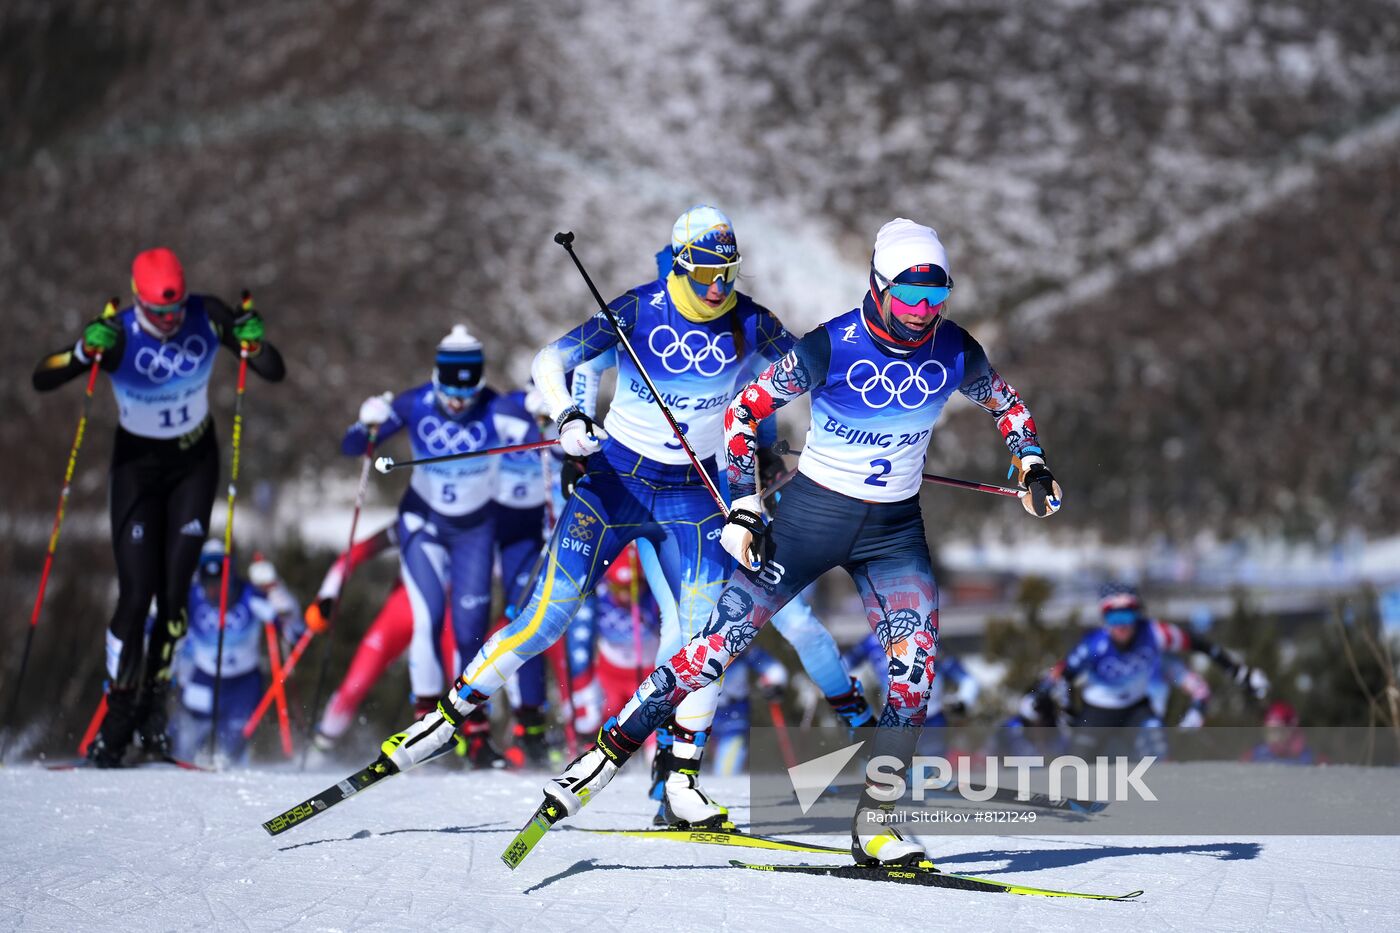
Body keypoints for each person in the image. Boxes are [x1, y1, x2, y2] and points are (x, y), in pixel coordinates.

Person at [541, 217, 1063, 867]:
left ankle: (876, 822)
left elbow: (1006, 404)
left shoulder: (955, 348)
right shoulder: (829, 345)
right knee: (714, 647)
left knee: (915, 670)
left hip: (893, 532)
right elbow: (744, 410)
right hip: (808, 521)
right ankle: (605, 755)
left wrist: (1031, 463)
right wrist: (743, 504)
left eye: (936, 297)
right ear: (878, 287)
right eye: (909, 296)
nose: (923, 313)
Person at [379, 206, 800, 830]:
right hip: (615, 484)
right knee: (547, 617)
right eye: (707, 272)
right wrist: (568, 417)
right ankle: (446, 718)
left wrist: (796, 449)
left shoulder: (753, 323)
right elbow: (549, 361)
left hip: (694, 492)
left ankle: (680, 782)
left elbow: (817, 376)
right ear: (680, 264)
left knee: (703, 639)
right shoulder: (638, 310)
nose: (719, 287)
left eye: (728, 273)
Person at [32, 247, 284, 767]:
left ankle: (152, 713)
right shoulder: (119, 333)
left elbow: (271, 369)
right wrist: (82, 351)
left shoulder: (207, 314)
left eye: (175, 311)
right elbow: (44, 375)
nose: (169, 321)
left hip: (194, 463)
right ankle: (117, 715)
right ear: (139, 301)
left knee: (173, 601)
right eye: (158, 313)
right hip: (138, 469)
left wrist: (253, 341)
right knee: (136, 593)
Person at [343, 326, 542, 769]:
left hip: (475, 531)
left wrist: (543, 411)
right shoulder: (414, 404)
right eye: (449, 392)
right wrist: (367, 421)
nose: (456, 402)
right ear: (436, 379)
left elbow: (558, 443)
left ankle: (474, 732)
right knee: (428, 618)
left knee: (471, 630)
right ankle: (423, 726)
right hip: (424, 525)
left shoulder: (495, 407)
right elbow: (354, 446)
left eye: (465, 393)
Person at [1055, 583, 1269, 756]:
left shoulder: (1155, 634)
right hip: (1097, 712)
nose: (1121, 626)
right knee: (1078, 759)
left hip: (1136, 709)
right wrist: (1066, 711)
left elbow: (1201, 645)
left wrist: (1239, 673)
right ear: (1104, 619)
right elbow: (1063, 676)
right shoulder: (1094, 646)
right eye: (1113, 618)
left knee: (1157, 748)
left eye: (1127, 616)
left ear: (1138, 615)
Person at [170, 542, 302, 763]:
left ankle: (231, 789)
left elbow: (294, 630)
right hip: (203, 679)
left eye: (221, 584)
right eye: (208, 584)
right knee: (185, 739)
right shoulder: (190, 597)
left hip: (243, 685)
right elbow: (164, 626)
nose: (214, 591)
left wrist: (277, 590)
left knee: (232, 749)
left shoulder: (250, 595)